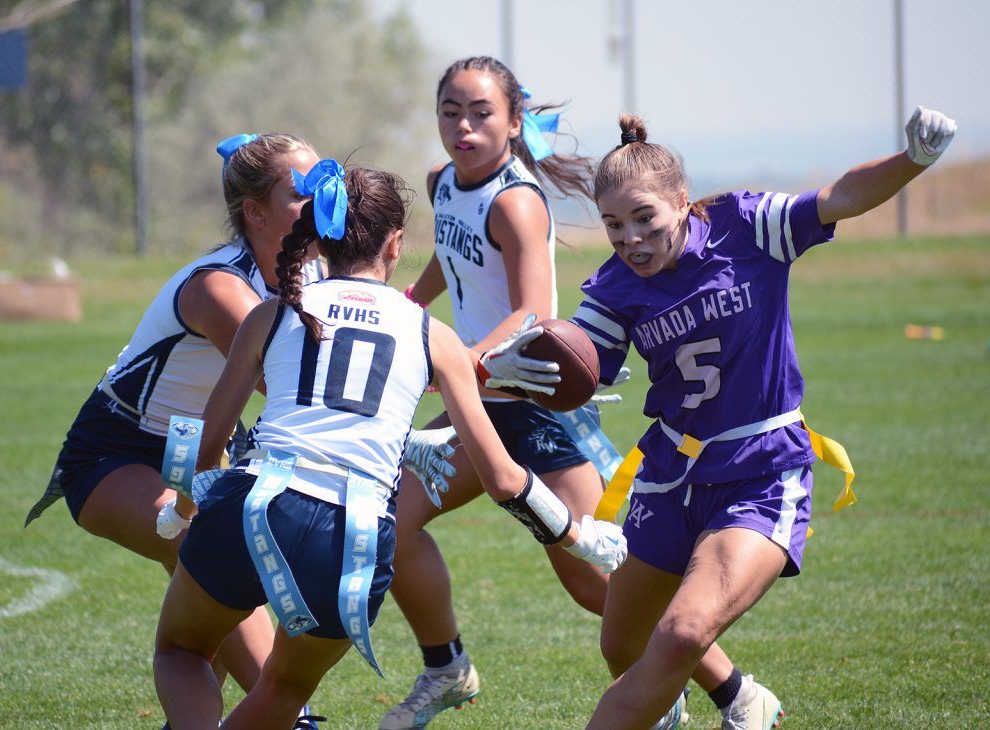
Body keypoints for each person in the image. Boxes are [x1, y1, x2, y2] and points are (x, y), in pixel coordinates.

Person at [151, 160, 627, 730]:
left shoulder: (271, 314)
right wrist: (578, 535)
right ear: (396, 244)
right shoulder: (435, 336)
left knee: (180, 652)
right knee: (283, 686)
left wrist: (181, 512)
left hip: (253, 501)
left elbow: (206, 446)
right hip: (351, 534)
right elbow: (503, 479)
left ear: (321, 236)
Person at [381, 55, 767, 730]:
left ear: (513, 121)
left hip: (532, 403)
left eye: (481, 113)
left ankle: (737, 696)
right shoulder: (443, 181)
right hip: (481, 401)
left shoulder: (517, 200)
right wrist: (412, 300)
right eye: (451, 112)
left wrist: (456, 362)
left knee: (604, 584)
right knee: (390, 523)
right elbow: (454, 248)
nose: (464, 126)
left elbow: (531, 312)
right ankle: (446, 668)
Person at [568, 105, 957, 729]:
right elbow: (577, 359)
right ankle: (742, 703)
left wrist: (913, 159)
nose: (631, 239)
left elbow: (840, 196)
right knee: (624, 646)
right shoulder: (614, 284)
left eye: (645, 218)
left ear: (682, 200)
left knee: (684, 631)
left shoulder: (745, 226)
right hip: (672, 470)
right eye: (614, 225)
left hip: (759, 467)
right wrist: (525, 366)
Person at [24, 133, 327, 724]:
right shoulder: (219, 286)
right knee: (206, 550)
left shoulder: (313, 273)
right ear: (255, 213)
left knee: (210, 607)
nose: (319, 202)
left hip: (209, 450)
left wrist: (470, 365)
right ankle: (298, 720)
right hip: (116, 452)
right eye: (301, 193)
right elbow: (289, 380)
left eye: (324, 186)